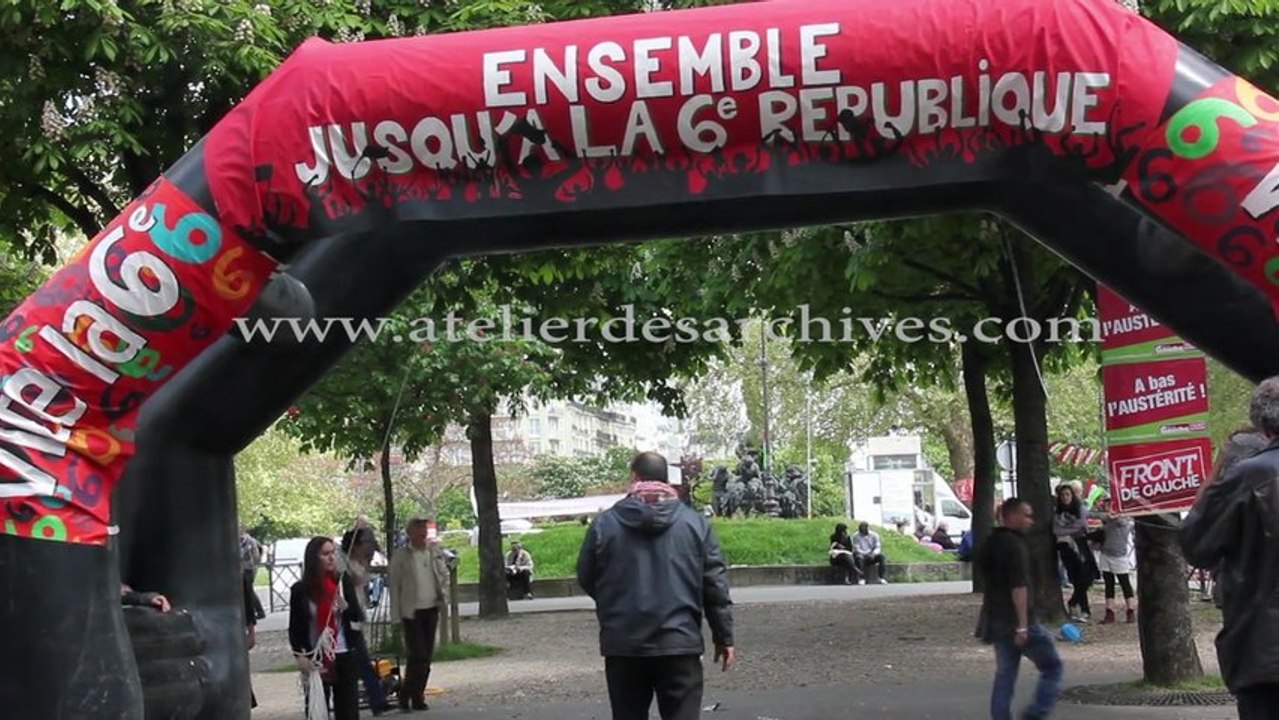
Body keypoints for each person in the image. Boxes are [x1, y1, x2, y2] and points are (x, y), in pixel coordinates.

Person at [577, 451, 735, 720]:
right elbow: (714, 584)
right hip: (679, 641)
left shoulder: (605, 524)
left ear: (634, 476)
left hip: (624, 643)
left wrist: (614, 601)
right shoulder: (695, 524)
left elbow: (586, 575)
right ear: (667, 479)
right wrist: (724, 636)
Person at [1182, 411, 1279, 720]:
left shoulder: (1246, 476)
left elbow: (1195, 544)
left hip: (1261, 649)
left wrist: (1217, 474)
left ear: (1264, 427)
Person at [977, 497, 1063, 720]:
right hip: (1017, 620)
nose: (1030, 520)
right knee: (1052, 667)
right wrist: (1023, 625)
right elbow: (1019, 586)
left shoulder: (991, 542)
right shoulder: (1016, 546)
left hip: (996, 618)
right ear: (1012, 516)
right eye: (1026, 515)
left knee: (1005, 675)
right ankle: (1036, 712)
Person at [288, 536, 363, 720]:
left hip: (343, 652)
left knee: (348, 712)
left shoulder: (341, 583)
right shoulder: (301, 590)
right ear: (314, 558)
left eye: (333, 553)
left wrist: (344, 605)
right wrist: (300, 655)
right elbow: (295, 628)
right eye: (325, 554)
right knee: (317, 711)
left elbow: (357, 616)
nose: (331, 558)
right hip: (317, 656)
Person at [388, 518, 449, 713]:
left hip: (431, 608)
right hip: (411, 611)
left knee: (426, 656)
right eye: (418, 530)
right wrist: (396, 616)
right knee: (417, 654)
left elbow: (443, 573)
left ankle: (415, 694)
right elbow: (395, 586)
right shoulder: (401, 556)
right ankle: (408, 693)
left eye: (424, 529)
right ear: (410, 533)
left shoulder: (433, 552)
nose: (422, 533)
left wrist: (444, 594)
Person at [340, 528, 392, 715]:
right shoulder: (343, 563)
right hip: (347, 618)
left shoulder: (360, 562)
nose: (368, 548)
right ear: (355, 546)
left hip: (357, 617)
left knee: (360, 661)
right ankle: (377, 700)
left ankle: (376, 699)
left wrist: (377, 549)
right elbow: (347, 580)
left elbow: (375, 568)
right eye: (365, 544)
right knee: (360, 661)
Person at [1053, 484, 1096, 622]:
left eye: (1068, 494)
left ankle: (1073, 602)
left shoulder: (1080, 508)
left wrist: (1068, 530)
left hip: (1081, 544)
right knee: (1076, 577)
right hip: (1065, 546)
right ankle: (1084, 610)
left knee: (1088, 575)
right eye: (1063, 495)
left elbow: (1079, 525)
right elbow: (1056, 531)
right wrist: (1069, 530)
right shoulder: (1057, 512)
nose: (1065, 497)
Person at [1095, 496, 1136, 625]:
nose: (1108, 508)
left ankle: (1130, 610)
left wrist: (1115, 515)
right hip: (1106, 554)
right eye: (1106, 506)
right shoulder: (1106, 519)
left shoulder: (1125, 520)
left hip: (1120, 555)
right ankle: (1109, 611)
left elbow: (1124, 523)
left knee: (1124, 583)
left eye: (1111, 505)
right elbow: (1093, 514)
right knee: (1109, 583)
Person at [240, 524, 266, 620]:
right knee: (248, 590)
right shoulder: (249, 540)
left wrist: (254, 564)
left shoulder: (248, 541)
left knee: (249, 590)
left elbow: (256, 554)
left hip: (248, 569)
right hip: (247, 568)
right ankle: (256, 612)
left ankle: (258, 612)